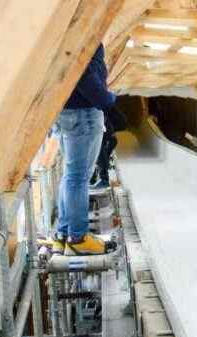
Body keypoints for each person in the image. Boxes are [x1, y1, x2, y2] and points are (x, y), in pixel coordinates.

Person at [52, 43, 117, 256]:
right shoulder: (87, 35)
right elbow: (84, 73)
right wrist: (107, 100)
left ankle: (63, 235)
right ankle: (78, 238)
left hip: (67, 110)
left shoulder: (64, 34)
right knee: (79, 177)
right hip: (84, 112)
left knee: (70, 176)